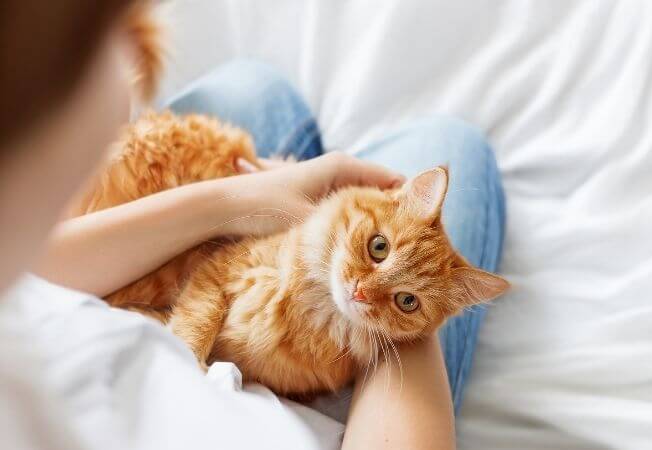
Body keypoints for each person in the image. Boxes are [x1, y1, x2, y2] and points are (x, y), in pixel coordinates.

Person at [0, 1, 505, 449]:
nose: (366, 290)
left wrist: (238, 198)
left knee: (252, 86)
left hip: (226, 222)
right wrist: (422, 301)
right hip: (274, 336)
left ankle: (289, 172)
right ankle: (301, 176)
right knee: (452, 140)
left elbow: (30, 270)